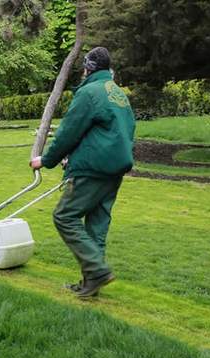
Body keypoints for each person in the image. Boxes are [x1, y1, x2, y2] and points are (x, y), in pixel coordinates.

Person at [29, 47, 135, 298]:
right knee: (96, 226)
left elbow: (69, 131)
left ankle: (97, 270)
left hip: (93, 168)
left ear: (88, 68)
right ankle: (91, 283)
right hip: (115, 168)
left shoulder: (89, 92)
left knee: (64, 216)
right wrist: (74, 156)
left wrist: (46, 160)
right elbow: (117, 132)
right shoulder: (118, 94)